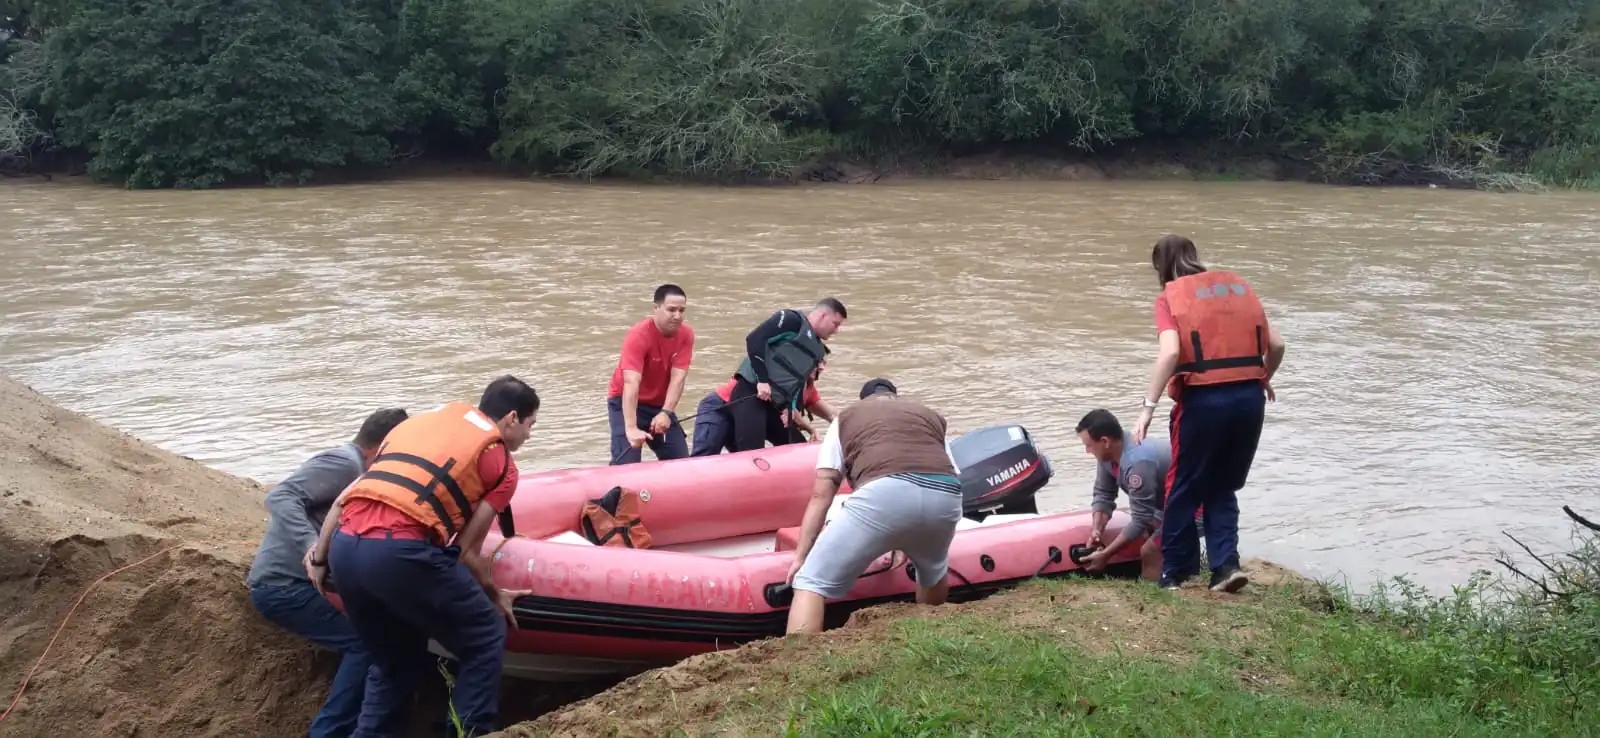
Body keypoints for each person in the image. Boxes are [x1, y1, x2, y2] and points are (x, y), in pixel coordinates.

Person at [304, 375, 540, 738]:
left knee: (394, 663)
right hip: (401, 553)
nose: (528, 435)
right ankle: (467, 732)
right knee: (484, 635)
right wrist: (494, 592)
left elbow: (343, 500)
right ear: (511, 418)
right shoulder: (503, 467)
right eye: (530, 425)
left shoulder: (416, 426)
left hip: (346, 549)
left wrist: (320, 560)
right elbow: (465, 553)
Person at [1129, 235, 1286, 593]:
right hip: (1249, 398)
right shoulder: (1236, 288)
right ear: (1194, 257)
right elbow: (1277, 344)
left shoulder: (1170, 296)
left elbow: (1170, 353)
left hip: (1203, 401)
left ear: (1161, 266)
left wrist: (1147, 408)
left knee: (1184, 485)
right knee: (1224, 484)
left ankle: (1177, 573)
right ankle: (1225, 568)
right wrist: (1262, 379)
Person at [246, 407, 409, 738]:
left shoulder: (360, 472)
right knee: (365, 642)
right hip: (282, 586)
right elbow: (281, 496)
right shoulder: (344, 463)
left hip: (305, 583)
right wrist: (312, 549)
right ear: (383, 447)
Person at [784, 378, 963, 635]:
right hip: (946, 495)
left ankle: (797, 658)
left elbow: (822, 494)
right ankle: (932, 636)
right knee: (933, 569)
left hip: (885, 494)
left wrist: (801, 557)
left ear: (863, 400)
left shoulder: (845, 418)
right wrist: (905, 538)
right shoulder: (928, 416)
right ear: (895, 397)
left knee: (811, 581)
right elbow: (940, 475)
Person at [1072, 408, 1184, 582]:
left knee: (1149, 550)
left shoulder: (1138, 462)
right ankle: (1176, 571)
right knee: (1145, 533)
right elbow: (1103, 494)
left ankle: (1154, 594)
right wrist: (1097, 529)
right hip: (1164, 505)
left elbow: (1140, 517)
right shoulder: (1107, 456)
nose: (1087, 451)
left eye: (1088, 445)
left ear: (1105, 441)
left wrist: (1106, 555)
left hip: (1192, 505)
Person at [727, 298, 847, 453]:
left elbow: (793, 382)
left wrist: (788, 408)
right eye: (835, 324)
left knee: (798, 446)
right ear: (822, 315)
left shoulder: (817, 350)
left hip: (775, 405)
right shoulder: (791, 321)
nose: (837, 330)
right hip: (751, 394)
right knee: (753, 453)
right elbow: (754, 339)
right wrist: (762, 381)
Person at [607, 284, 695, 464]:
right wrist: (631, 427)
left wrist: (666, 412)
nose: (677, 316)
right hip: (626, 401)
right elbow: (631, 383)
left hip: (659, 405)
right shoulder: (638, 335)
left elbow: (678, 378)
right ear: (656, 308)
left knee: (681, 462)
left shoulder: (686, 334)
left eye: (681, 310)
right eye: (671, 310)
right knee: (627, 462)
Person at [690, 359, 837, 456]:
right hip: (720, 408)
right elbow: (792, 413)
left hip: (752, 418)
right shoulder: (784, 378)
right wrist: (811, 429)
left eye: (824, 362)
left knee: (794, 446)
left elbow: (831, 414)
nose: (822, 367)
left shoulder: (807, 388)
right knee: (704, 456)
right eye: (817, 362)